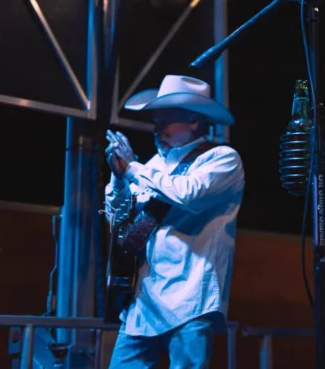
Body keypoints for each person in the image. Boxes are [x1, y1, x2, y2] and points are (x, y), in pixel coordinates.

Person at [103, 74, 245, 369]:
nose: (157, 127)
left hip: (191, 298)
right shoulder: (154, 165)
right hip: (144, 301)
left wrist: (133, 169)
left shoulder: (222, 159)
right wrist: (118, 179)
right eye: (156, 120)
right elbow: (118, 215)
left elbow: (187, 194)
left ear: (194, 120)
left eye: (166, 119)